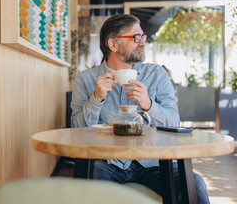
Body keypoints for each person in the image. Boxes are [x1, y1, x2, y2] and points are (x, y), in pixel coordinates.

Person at [71, 14, 210, 204]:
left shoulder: (157, 74)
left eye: (143, 37)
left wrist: (149, 105)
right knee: (91, 182)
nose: (143, 42)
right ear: (113, 44)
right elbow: (77, 130)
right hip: (108, 161)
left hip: (153, 161)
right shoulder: (85, 80)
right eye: (136, 37)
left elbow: (173, 121)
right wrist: (96, 98)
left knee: (194, 183)